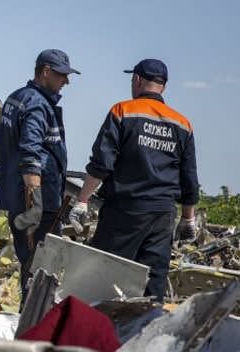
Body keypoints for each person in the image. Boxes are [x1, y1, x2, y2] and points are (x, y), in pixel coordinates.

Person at [68, 59, 199, 301]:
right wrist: (188, 219)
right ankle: (145, 332)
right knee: (152, 285)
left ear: (137, 80)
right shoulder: (183, 124)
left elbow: (101, 164)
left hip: (125, 212)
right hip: (162, 215)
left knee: (104, 279)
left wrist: (82, 201)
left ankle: (99, 334)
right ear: (164, 87)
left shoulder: (123, 112)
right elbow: (189, 178)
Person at [0, 49, 80, 298]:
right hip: (38, 208)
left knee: (31, 266)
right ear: (46, 71)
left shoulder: (15, 98)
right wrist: (35, 203)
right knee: (41, 271)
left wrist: (12, 184)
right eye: (62, 75)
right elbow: (30, 154)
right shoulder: (38, 106)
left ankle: (29, 319)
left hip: (20, 200)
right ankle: (34, 323)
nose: (66, 82)